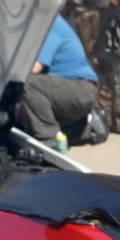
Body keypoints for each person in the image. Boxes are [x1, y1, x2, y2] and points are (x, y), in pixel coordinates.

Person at [25, 16, 99, 152]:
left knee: (28, 84)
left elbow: (35, 68)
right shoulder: (37, 25)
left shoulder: (48, 24)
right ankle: (87, 126)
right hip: (70, 90)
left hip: (79, 88)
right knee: (29, 114)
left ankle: (49, 138)